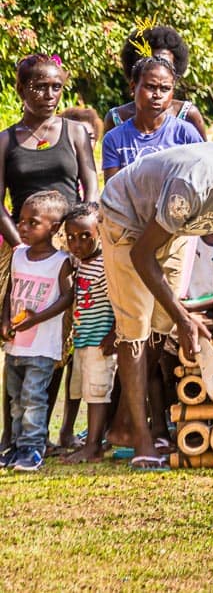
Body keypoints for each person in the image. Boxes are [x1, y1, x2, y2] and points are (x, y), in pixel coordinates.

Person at [99, 143, 213, 469]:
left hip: (171, 229)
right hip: (127, 221)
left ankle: (124, 425)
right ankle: (142, 441)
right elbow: (141, 255)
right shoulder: (191, 187)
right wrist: (184, 319)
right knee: (136, 328)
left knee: (160, 327)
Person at [0, 53, 97, 452]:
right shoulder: (6, 140)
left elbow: (90, 186)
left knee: (59, 340)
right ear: (21, 90)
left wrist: (81, 238)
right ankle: (10, 434)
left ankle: (47, 432)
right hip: (19, 246)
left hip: (66, 249)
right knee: (17, 336)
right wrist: (22, 247)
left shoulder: (74, 133)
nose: (49, 94)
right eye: (39, 87)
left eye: (56, 86)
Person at [0, 191, 73, 472]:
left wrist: (37, 318)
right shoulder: (18, 255)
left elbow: (68, 297)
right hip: (16, 344)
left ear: (53, 228)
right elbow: (10, 292)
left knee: (33, 398)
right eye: (21, 221)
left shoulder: (60, 261)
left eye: (33, 223)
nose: (23, 227)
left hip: (42, 346)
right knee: (16, 399)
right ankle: (17, 446)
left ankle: (32, 448)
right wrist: (5, 320)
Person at [59, 203, 116, 464]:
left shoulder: (105, 266)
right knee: (82, 390)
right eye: (71, 237)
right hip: (83, 340)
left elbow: (120, 302)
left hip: (100, 341)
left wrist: (114, 334)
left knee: (97, 394)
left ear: (99, 233)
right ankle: (80, 438)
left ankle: (93, 446)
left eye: (85, 236)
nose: (77, 243)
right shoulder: (79, 264)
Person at [102, 56, 204, 179]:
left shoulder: (186, 134)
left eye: (165, 89)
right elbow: (112, 188)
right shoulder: (114, 139)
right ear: (133, 87)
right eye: (150, 87)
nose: (158, 95)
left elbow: (203, 178)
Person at [104, 25, 208, 140]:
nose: (160, 67)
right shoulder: (117, 118)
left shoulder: (187, 115)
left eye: (166, 64)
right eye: (152, 62)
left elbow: (204, 150)